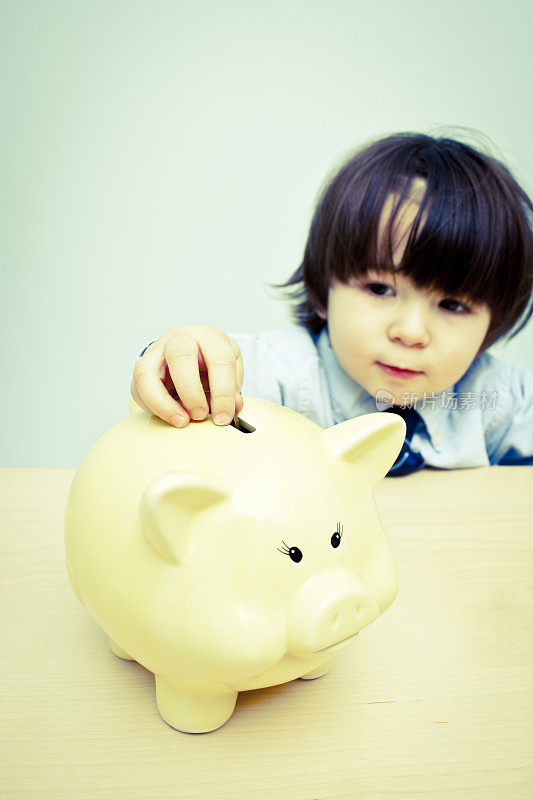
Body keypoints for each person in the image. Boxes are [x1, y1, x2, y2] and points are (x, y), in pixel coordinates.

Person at [131, 132, 533, 474]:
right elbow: (199, 378)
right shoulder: (284, 378)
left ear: (492, 324)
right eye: (379, 289)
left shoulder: (494, 398)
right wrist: (184, 360)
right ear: (324, 289)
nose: (411, 332)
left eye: (453, 305)